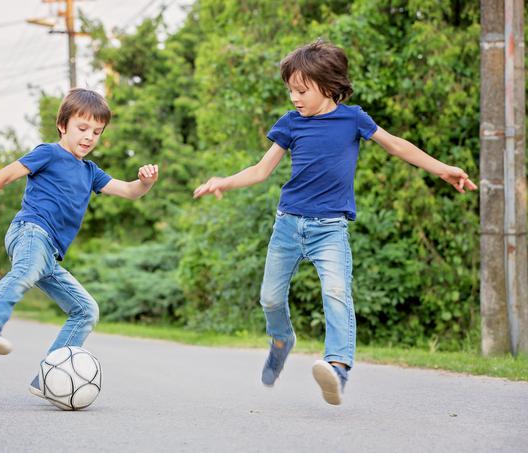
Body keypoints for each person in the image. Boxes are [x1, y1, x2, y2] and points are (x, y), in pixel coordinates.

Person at [193, 40, 476, 405]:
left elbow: (397, 146)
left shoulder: (353, 119)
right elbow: (262, 170)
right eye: (290, 90)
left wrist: (442, 169)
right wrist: (224, 181)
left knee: (337, 293)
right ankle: (281, 340)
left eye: (301, 90)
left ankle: (338, 366)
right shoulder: (291, 123)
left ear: (328, 85)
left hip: (330, 228)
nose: (294, 98)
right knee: (269, 299)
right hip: (288, 224)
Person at [0, 88, 159, 398]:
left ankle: (46, 377)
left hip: (50, 253)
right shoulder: (49, 153)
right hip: (30, 231)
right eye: (82, 128)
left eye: (97, 132)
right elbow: (5, 176)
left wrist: (145, 183)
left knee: (86, 310)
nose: (89, 137)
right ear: (63, 125)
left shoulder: (91, 172)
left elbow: (130, 191)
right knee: (28, 267)